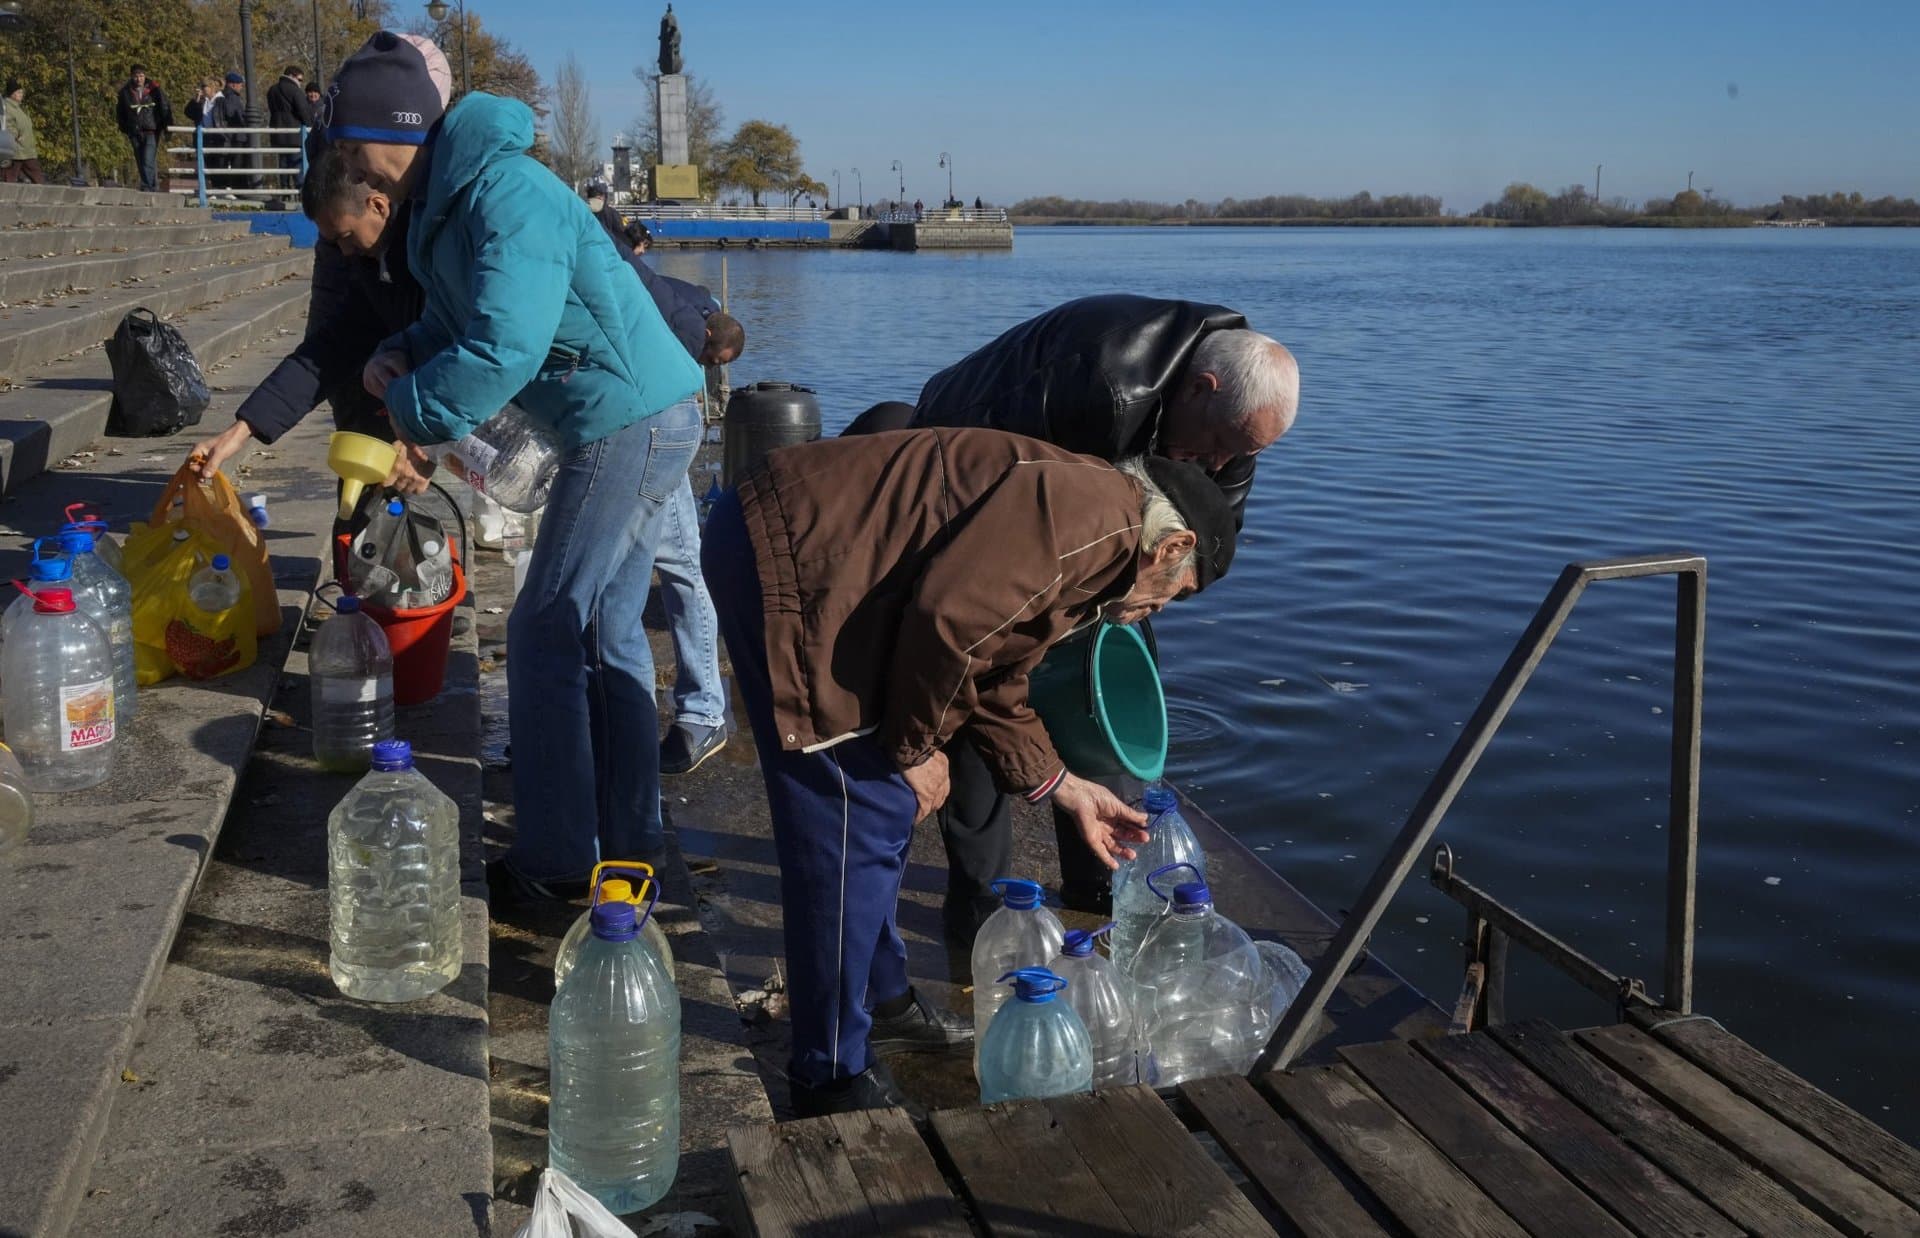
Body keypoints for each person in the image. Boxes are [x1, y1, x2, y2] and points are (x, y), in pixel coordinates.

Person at [702, 427, 1236, 1114]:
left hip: (818, 555)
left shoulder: (1096, 533)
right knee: (850, 820)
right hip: (791, 557)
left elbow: (995, 667)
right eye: (1168, 597)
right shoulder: (1095, 525)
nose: (1152, 613)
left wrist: (1065, 788)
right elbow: (951, 624)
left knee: (878, 813)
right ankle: (826, 1073)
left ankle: (884, 1002)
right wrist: (916, 750)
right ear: (1173, 547)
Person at [328, 31, 704, 902]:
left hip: (630, 418)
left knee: (542, 624)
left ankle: (558, 862)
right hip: (623, 419)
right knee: (607, 632)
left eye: (351, 142)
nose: (348, 161)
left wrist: (412, 414)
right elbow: (464, 321)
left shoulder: (505, 193)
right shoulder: (451, 206)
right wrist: (400, 349)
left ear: (400, 129)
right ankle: (633, 843)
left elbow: (505, 345)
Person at [855, 294, 1299, 934]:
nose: (1226, 464)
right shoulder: (1099, 382)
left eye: (1245, 455)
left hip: (1110, 528)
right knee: (980, 685)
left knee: (1107, 689)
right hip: (970, 485)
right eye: (1224, 446)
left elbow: (1210, 538)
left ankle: (1100, 886)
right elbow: (1000, 544)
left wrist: (1142, 594)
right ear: (1200, 390)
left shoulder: (1234, 419)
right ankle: (981, 901)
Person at [583, 200, 744, 774]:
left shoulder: (625, 274)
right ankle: (661, 710)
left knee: (679, 560)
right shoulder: (631, 268)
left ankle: (703, 711)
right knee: (650, 563)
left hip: (656, 417)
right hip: (629, 415)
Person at [187, 146, 430, 504]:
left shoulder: (438, 250)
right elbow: (330, 349)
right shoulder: (375, 265)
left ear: (378, 205)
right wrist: (242, 430)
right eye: (333, 243)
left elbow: (484, 346)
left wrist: (424, 436)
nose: (344, 253)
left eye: (346, 237)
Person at [115, 66, 173, 192]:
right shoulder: (125, 92)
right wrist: (125, 127)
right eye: (136, 76)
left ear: (145, 76)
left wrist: (167, 127)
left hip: (151, 130)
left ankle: (147, 186)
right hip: (134, 131)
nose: (138, 79)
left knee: (148, 159)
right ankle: (151, 186)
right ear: (131, 76)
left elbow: (164, 107)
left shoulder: (154, 89)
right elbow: (120, 112)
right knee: (141, 160)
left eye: (141, 76)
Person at [266, 65, 315, 192]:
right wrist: (310, 126)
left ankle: (284, 191)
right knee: (297, 164)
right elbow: (303, 111)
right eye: (300, 79)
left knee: (283, 164)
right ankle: (300, 193)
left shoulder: (272, 90)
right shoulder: (294, 91)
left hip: (277, 133)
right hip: (294, 134)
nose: (300, 83)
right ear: (292, 76)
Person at [1, 80, 43, 184]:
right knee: (10, 176)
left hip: (26, 149)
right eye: (19, 92)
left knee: (35, 175)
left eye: (21, 92)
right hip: (17, 148)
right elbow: (7, 124)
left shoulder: (18, 107)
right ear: (12, 94)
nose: (21, 94)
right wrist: (15, 135)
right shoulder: (7, 107)